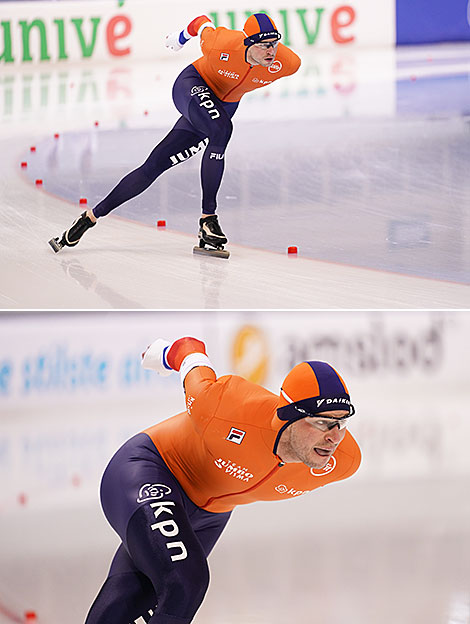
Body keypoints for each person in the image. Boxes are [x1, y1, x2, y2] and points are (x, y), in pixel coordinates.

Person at [85, 336, 361, 624]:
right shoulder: (226, 406)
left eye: (342, 422)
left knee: (131, 597)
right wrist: (169, 353)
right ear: (289, 417)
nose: (334, 436)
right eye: (322, 422)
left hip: (210, 515)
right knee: (185, 582)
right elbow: (189, 352)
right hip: (150, 469)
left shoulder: (344, 461)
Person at [49, 13, 302, 257]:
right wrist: (180, 38)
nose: (272, 51)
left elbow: (280, 59)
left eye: (275, 44)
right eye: (265, 45)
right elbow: (201, 22)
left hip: (222, 106)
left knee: (155, 165)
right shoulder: (221, 43)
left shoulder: (287, 63)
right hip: (193, 85)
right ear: (248, 43)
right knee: (222, 130)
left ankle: (89, 218)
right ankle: (208, 219)